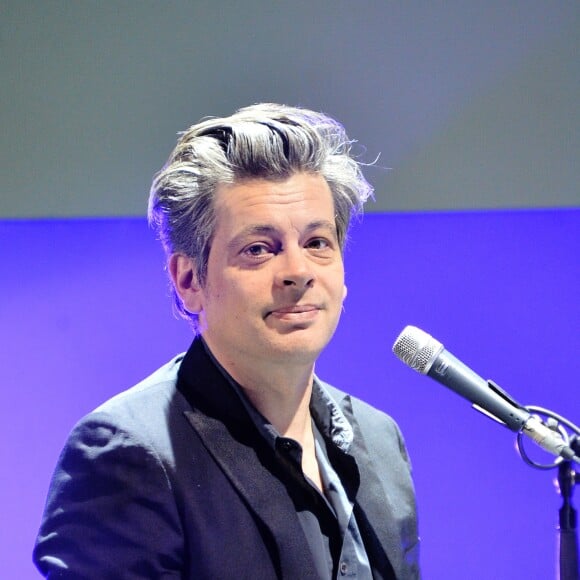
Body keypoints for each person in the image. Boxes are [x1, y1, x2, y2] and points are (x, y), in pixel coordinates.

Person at [33, 103, 420, 579]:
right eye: (259, 249)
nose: (298, 272)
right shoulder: (129, 454)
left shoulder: (380, 441)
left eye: (317, 242)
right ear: (190, 279)